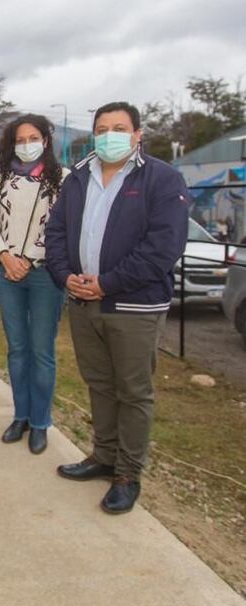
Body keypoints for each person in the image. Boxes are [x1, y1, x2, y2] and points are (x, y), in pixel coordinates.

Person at [45, 101, 189, 514]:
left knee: (133, 391)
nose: (110, 135)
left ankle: (127, 473)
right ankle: (104, 456)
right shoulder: (78, 178)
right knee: (99, 384)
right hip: (82, 300)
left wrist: (107, 283)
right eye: (102, 128)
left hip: (133, 306)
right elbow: (56, 233)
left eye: (120, 128)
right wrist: (65, 276)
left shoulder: (162, 179)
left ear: (137, 134)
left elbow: (163, 247)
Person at [0, 114, 67, 454]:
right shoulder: (1, 178)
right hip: (7, 273)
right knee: (17, 348)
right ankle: (21, 416)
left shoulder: (62, 179)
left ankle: (40, 421)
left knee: (41, 350)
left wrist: (29, 259)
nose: (26, 144)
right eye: (20, 139)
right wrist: (4, 256)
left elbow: (61, 228)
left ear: (45, 141)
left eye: (33, 138)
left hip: (45, 275)